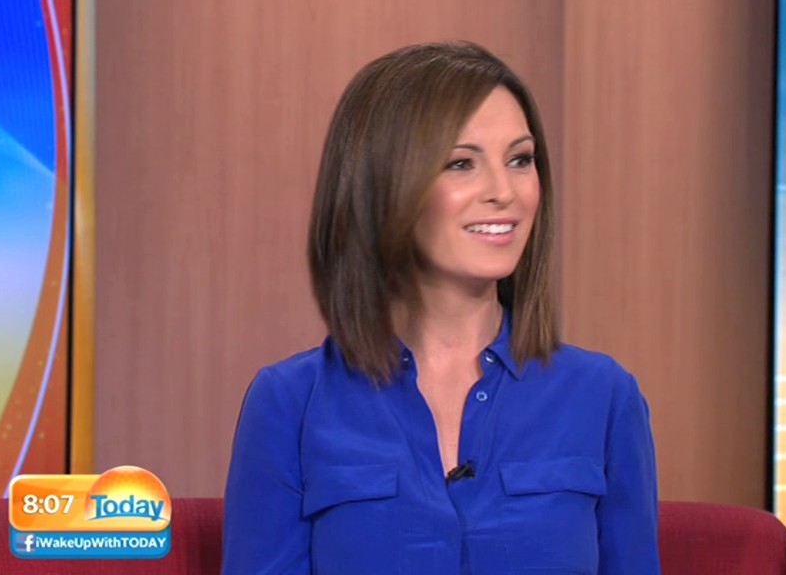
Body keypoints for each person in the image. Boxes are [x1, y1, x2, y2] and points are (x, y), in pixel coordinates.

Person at [222, 41, 660, 575]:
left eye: (520, 160)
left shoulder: (604, 397)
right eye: (461, 163)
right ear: (381, 187)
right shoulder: (289, 403)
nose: (504, 192)